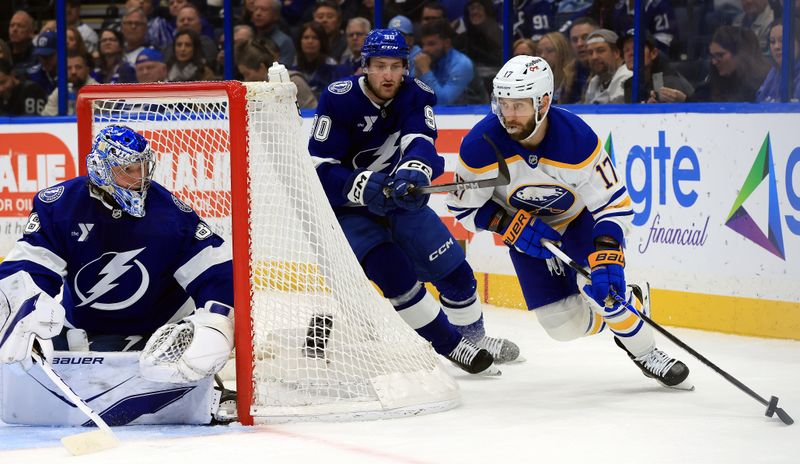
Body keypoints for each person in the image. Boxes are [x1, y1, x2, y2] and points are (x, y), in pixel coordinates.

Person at [446, 54, 692, 389]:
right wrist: (507, 224)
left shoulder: (576, 140)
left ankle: (646, 352)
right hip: (524, 232)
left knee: (607, 293)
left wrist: (607, 251)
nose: (508, 115)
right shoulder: (480, 146)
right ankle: (632, 306)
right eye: (503, 104)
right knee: (562, 326)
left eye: (518, 105)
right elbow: (463, 209)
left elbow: (613, 204)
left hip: (579, 220)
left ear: (543, 102)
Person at [307, 28, 520, 375]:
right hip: (349, 210)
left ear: (405, 67)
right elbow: (319, 167)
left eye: (395, 66)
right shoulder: (339, 98)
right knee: (393, 273)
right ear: (365, 67)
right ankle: (453, 347)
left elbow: (420, 140)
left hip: (399, 200)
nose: (388, 75)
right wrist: (361, 185)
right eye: (379, 66)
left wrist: (414, 172)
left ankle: (475, 338)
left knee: (455, 271)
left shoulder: (415, 94)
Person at [0, 125, 235, 426]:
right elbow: (31, 264)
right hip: (81, 323)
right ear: (101, 169)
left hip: (154, 332)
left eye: (143, 168)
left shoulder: (170, 215)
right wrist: (18, 303)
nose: (139, 179)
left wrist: (215, 322)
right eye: (128, 170)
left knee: (114, 360)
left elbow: (217, 273)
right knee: (31, 355)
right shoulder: (60, 206)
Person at [689, 25, 770, 102]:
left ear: (740, 54)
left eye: (720, 55)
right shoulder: (707, 89)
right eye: (713, 56)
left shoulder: (764, 88)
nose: (714, 62)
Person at [618, 29, 693, 103]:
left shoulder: (669, 82)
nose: (631, 53)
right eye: (626, 50)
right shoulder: (630, 84)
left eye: (637, 48)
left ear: (653, 53)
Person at [414, 19, 476, 105]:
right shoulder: (430, 59)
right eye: (423, 44)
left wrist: (425, 70)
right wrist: (417, 73)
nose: (425, 49)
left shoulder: (462, 64)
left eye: (431, 44)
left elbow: (442, 102)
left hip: (470, 114)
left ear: (447, 43)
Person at [582, 28, 632, 103]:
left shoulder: (626, 77)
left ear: (616, 53)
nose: (594, 57)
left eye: (600, 50)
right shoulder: (594, 81)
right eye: (590, 52)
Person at [756, 21, 800, 102]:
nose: (777, 47)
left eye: (783, 41)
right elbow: (760, 101)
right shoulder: (775, 71)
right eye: (772, 42)